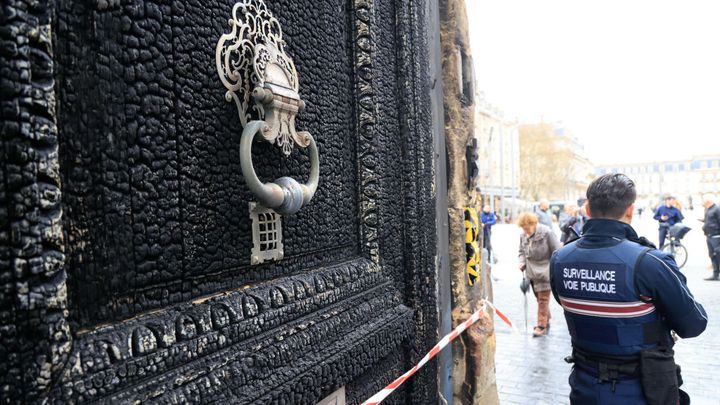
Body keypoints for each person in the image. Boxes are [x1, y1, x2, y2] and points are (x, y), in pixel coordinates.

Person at [550, 174, 707, 405]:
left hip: (584, 387)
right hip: (640, 390)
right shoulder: (649, 262)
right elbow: (694, 324)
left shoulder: (559, 260)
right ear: (630, 210)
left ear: (587, 209)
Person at [517, 212, 562, 337]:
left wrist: (554, 269)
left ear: (534, 224)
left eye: (527, 228)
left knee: (543, 300)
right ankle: (546, 318)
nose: (526, 231)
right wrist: (521, 262)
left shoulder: (547, 233)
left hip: (545, 271)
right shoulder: (523, 235)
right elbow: (521, 251)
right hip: (531, 272)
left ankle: (541, 325)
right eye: (523, 228)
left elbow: (557, 251)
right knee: (539, 299)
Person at [701, 193, 720, 280]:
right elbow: (708, 220)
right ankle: (715, 274)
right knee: (712, 255)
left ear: (708, 200)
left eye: (703, 200)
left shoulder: (717, 209)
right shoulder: (707, 209)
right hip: (708, 236)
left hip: (716, 236)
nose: (702, 201)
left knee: (718, 255)